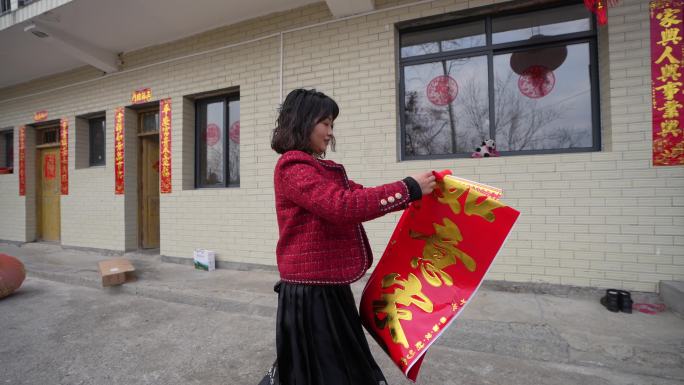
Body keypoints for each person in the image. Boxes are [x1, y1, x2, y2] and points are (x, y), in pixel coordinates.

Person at [260, 88, 436, 385]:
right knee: (328, 368)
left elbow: (358, 195)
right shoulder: (292, 166)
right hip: (309, 290)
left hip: (327, 284)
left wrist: (412, 193)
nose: (330, 133)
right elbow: (341, 206)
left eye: (332, 125)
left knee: (337, 363)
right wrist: (408, 189)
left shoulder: (319, 168)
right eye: (325, 123)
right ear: (303, 122)